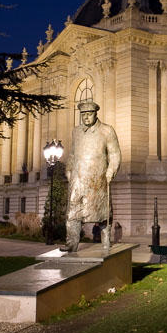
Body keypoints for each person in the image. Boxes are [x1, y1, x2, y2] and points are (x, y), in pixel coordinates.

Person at [60, 101, 121, 252]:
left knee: (102, 212)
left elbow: (114, 153)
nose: (86, 117)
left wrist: (111, 170)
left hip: (98, 177)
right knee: (73, 211)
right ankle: (71, 243)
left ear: (96, 114)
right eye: (83, 114)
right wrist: (68, 169)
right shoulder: (76, 131)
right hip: (78, 177)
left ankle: (106, 240)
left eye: (89, 114)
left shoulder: (107, 130)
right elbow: (73, 153)